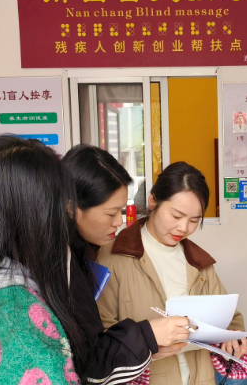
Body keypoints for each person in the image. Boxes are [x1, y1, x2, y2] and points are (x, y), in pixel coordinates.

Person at [0, 137, 173, 385]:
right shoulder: (14, 312)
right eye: (57, 207)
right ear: (31, 214)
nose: (62, 219)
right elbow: (84, 365)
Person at [97, 162, 247, 385]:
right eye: (176, 216)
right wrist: (146, 344)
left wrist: (234, 339)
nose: (184, 228)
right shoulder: (114, 257)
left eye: (194, 220)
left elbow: (230, 319)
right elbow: (100, 336)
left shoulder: (199, 262)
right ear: (153, 201)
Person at [62, 145, 194, 384]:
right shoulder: (65, 263)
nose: (119, 221)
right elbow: (87, 361)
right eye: (110, 213)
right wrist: (147, 336)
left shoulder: (84, 252)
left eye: (194, 219)